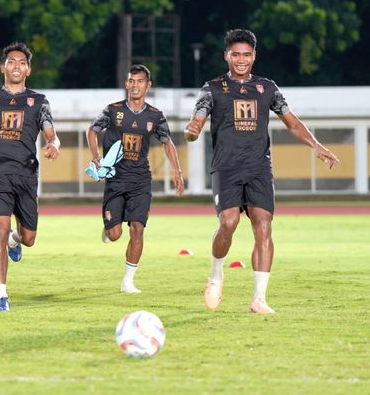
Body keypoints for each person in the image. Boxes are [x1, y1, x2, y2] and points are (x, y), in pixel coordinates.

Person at [184, 28, 340, 314]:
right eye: (235, 55)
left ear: (254, 56)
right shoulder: (212, 88)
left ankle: (259, 298)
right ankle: (216, 273)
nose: (241, 60)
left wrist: (316, 145)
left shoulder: (267, 88)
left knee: (263, 226)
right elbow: (197, 120)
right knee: (229, 222)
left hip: (258, 167)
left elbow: (292, 122)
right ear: (226, 56)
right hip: (226, 167)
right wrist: (192, 131)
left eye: (246, 54)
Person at [0, 42, 60, 312]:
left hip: (27, 175)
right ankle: (1, 296)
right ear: (3, 66)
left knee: (28, 237)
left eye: (22, 62)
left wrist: (53, 144)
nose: (16, 66)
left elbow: (51, 132)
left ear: (28, 69)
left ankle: (17, 241)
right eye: (11, 61)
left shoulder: (39, 101)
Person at [86, 64, 184, 294]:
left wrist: (177, 172)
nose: (135, 85)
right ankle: (109, 227)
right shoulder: (112, 110)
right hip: (116, 179)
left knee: (138, 228)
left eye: (140, 81)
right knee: (115, 234)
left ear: (148, 85)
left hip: (140, 180)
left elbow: (167, 143)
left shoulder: (155, 116)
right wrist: (96, 158)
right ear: (126, 84)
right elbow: (92, 130)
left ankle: (128, 281)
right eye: (131, 81)